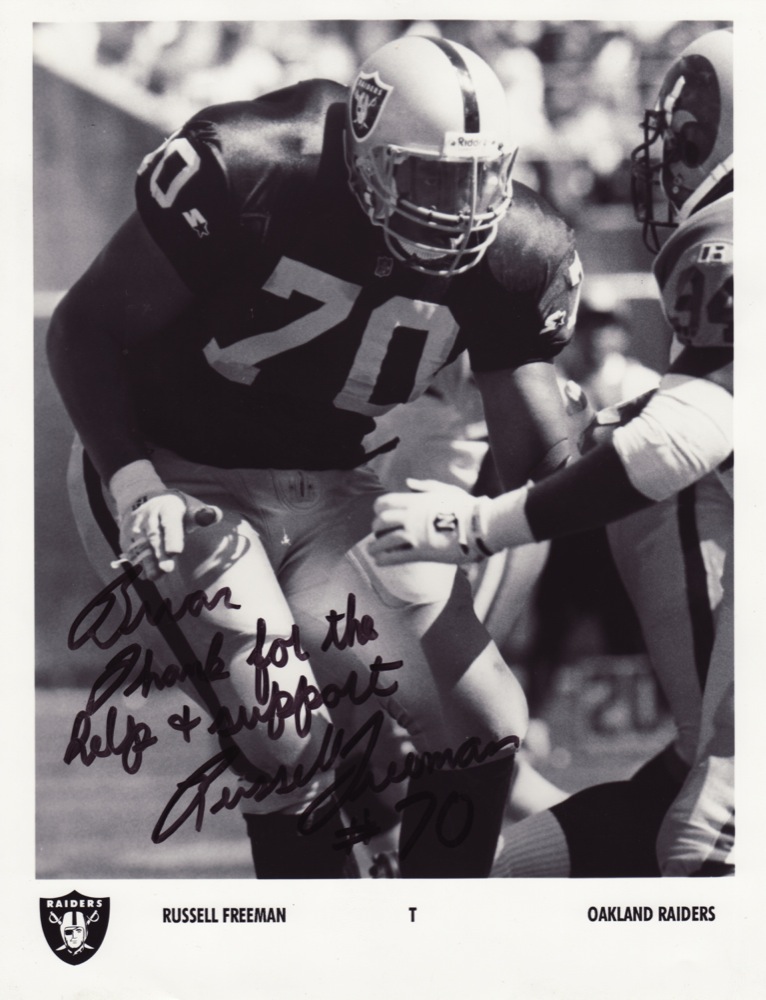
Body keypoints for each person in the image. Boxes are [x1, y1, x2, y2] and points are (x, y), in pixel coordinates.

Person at [47, 34, 583, 879]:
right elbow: (83, 327)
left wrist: (607, 463)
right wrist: (134, 479)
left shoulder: (518, 249)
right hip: (176, 474)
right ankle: (315, 937)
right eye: (429, 178)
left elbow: (541, 456)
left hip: (336, 488)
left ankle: (434, 930)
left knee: (485, 721)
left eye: (478, 178)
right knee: (285, 732)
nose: (459, 208)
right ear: (365, 155)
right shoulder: (254, 166)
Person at [370, 28, 733, 877]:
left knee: (702, 846)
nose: (666, 158)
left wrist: (475, 526)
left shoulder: (733, 241)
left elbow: (682, 439)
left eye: (686, 134)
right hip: (700, 747)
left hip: (731, 754)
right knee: (507, 884)